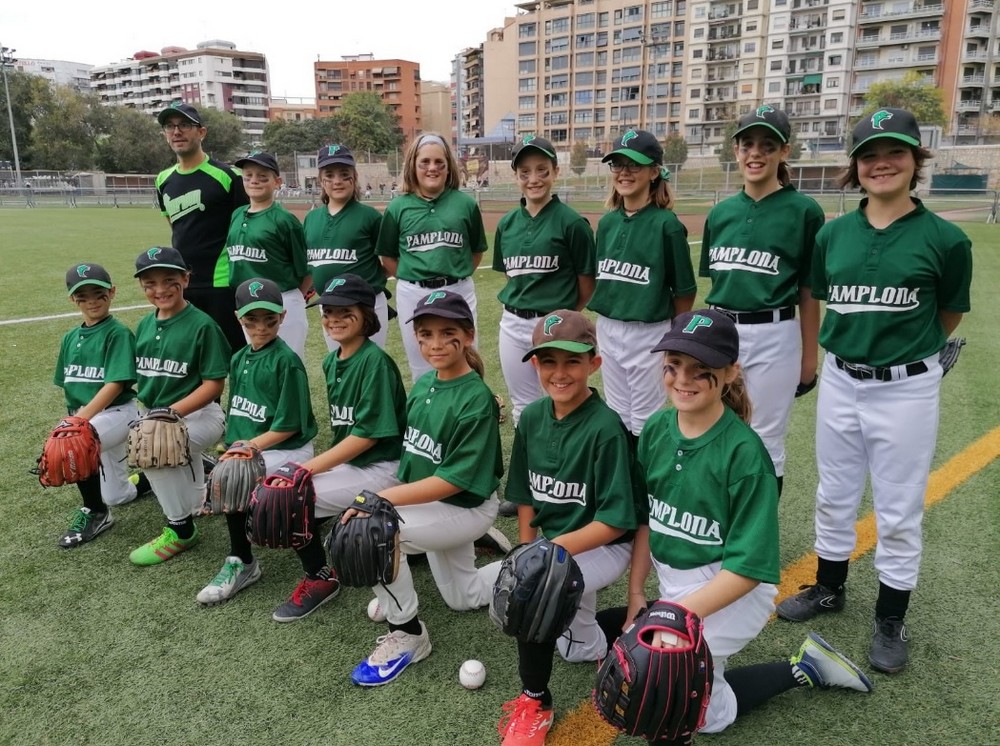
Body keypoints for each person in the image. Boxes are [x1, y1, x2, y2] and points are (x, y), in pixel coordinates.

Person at [598, 309, 873, 745]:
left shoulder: (745, 456)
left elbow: (747, 570)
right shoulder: (654, 429)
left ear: (730, 373)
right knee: (699, 704)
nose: (682, 379)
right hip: (677, 583)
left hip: (731, 589)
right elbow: (649, 517)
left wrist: (675, 619)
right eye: (673, 366)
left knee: (665, 689)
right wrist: (636, 596)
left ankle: (798, 670)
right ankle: (804, 664)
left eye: (700, 370)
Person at [775, 108, 973, 674]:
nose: (881, 163)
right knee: (834, 492)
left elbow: (950, 313)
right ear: (855, 167)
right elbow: (817, 291)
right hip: (841, 377)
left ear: (916, 160)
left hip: (906, 388)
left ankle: (891, 615)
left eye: (894, 152)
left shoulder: (945, 238)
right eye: (868, 155)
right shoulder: (833, 233)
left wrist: (903, 354)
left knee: (899, 506)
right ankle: (829, 587)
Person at [492, 310, 640, 746]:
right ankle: (636, 626)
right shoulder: (534, 417)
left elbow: (615, 522)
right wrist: (525, 550)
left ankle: (535, 701)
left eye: (572, 361)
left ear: (594, 363)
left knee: (533, 591)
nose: (560, 372)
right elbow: (525, 497)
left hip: (604, 545)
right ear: (534, 364)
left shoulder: (606, 427)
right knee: (576, 647)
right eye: (548, 361)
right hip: (557, 544)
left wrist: (539, 561)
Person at [341, 290, 503, 686]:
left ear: (467, 336)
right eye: (425, 333)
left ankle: (409, 634)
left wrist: (379, 500)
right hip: (437, 506)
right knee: (462, 597)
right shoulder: (426, 383)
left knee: (373, 535)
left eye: (447, 332)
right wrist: (382, 498)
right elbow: (416, 466)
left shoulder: (476, 398)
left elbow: (453, 480)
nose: (434, 343)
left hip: (466, 507)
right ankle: (521, 567)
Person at [700, 106, 825, 495]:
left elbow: (808, 291)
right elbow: (716, 282)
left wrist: (808, 359)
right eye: (748, 144)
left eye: (767, 145)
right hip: (722, 331)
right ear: (735, 150)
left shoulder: (804, 211)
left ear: (783, 152)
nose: (756, 153)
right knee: (715, 427)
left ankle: (758, 536)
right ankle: (720, 517)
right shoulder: (721, 213)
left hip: (775, 332)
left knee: (766, 438)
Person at [270, 273, 407, 622]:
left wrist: (306, 468)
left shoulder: (374, 362)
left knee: (291, 496)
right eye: (329, 311)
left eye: (346, 311)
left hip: (384, 466)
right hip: (357, 463)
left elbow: (368, 436)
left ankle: (319, 578)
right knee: (286, 488)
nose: (335, 319)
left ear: (367, 315)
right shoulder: (333, 361)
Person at [196, 278, 317, 606]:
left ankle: (242, 562)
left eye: (268, 319)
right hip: (258, 445)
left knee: (235, 474)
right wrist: (233, 446)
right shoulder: (240, 359)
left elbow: (289, 427)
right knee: (229, 468)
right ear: (239, 318)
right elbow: (239, 415)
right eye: (251, 320)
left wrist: (245, 450)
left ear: (282, 316)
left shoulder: (286, 361)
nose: (260, 327)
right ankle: (242, 557)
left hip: (288, 446)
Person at [588, 129, 697, 437]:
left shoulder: (667, 225)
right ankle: (623, 481)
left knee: (645, 421)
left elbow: (685, 291)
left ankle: (643, 482)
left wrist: (674, 339)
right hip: (608, 327)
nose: (624, 172)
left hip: (649, 332)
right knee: (618, 414)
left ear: (654, 171)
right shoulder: (608, 223)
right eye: (618, 164)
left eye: (634, 165)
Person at [129, 246, 229, 566]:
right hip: (159, 413)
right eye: (150, 283)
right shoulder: (144, 325)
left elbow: (214, 385)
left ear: (186, 279)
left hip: (201, 414)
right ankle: (202, 490)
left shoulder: (202, 325)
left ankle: (181, 530)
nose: (160, 290)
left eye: (169, 280)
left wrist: (170, 414)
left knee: (153, 445)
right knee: (149, 431)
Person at [493, 135, 596, 425]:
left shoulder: (572, 223)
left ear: (555, 171)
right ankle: (530, 469)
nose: (533, 179)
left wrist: (564, 316)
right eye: (524, 172)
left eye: (541, 169)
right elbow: (511, 276)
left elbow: (586, 283)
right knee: (522, 406)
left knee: (560, 401)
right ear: (516, 177)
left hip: (555, 324)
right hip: (512, 324)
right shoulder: (507, 224)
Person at [377, 133, 487, 381]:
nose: (432, 168)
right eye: (424, 162)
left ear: (449, 167)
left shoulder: (465, 204)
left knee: (467, 357)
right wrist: (412, 278)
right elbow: (388, 257)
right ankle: (426, 419)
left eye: (439, 162)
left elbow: (476, 252)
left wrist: (456, 274)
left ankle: (471, 415)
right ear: (413, 166)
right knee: (421, 364)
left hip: (458, 290)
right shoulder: (398, 207)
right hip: (413, 293)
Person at [52, 263, 139, 547]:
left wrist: (78, 422)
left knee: (73, 440)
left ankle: (96, 512)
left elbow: (114, 386)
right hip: (91, 418)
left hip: (118, 414)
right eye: (83, 296)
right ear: (72, 300)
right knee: (118, 495)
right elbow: (69, 387)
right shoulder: (70, 338)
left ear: (112, 293)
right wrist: (76, 416)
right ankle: (151, 480)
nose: (91, 301)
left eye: (98, 294)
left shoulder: (117, 333)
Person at [155, 101, 249, 352]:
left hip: (220, 284)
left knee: (234, 356)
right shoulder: (163, 180)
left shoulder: (227, 177)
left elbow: (246, 229)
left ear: (201, 132)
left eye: (185, 125)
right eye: (170, 126)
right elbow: (175, 226)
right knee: (192, 361)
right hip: (182, 285)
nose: (177, 131)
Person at [225, 151, 311, 362]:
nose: (254, 180)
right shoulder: (237, 214)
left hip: (282, 301)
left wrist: (292, 300)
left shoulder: (284, 220)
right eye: (248, 175)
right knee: (259, 363)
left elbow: (305, 270)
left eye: (263, 176)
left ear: (277, 182)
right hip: (248, 304)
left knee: (287, 364)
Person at [303, 145, 391, 350]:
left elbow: (389, 262)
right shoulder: (312, 219)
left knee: (369, 364)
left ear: (355, 177)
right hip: (329, 306)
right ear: (320, 180)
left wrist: (372, 281)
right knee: (339, 364)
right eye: (330, 175)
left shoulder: (369, 217)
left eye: (344, 174)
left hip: (365, 303)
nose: (337, 181)